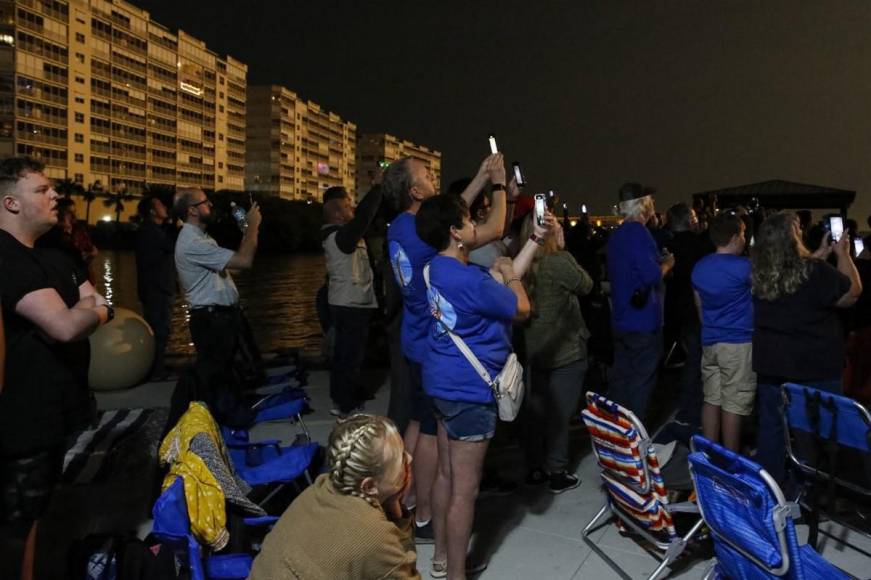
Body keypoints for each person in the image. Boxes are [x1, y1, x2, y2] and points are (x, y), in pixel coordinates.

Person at [416, 193, 551, 579]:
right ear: (456, 232)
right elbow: (520, 307)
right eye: (468, 221)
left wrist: (534, 240)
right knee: (464, 491)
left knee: (446, 474)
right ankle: (457, 574)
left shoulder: (437, 268)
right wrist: (510, 274)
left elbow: (498, 280)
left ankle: (441, 558)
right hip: (468, 393)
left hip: (440, 384)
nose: (477, 226)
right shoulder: (466, 278)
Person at [383, 154, 506, 547]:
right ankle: (424, 513)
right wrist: (499, 184)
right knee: (433, 435)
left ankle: (406, 499)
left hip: (413, 336)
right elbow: (493, 227)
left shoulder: (402, 227)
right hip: (429, 345)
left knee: (418, 424)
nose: (433, 175)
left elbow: (445, 214)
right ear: (415, 191)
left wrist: (479, 175)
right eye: (426, 174)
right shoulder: (422, 233)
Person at [0, 157, 111, 579]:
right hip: (21, 419)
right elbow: (66, 325)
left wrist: (93, 308)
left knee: (37, 510)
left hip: (54, 415)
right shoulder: (7, 257)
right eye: (42, 190)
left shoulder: (52, 255)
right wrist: (94, 313)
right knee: (17, 525)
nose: (56, 196)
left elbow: (96, 298)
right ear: (11, 203)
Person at [752, 211, 862, 484]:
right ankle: (808, 492)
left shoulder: (760, 272)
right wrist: (842, 253)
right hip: (814, 367)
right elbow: (852, 293)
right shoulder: (814, 272)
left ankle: (771, 488)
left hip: (772, 366)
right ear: (792, 237)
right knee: (816, 432)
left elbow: (795, 277)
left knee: (772, 430)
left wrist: (820, 253)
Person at [248, 414, 419, 580]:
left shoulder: (322, 486)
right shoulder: (374, 534)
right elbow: (403, 571)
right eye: (401, 459)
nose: (410, 459)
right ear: (369, 486)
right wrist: (397, 512)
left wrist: (393, 500)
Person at [519, 215, 593, 493]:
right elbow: (585, 284)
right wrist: (563, 249)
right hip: (565, 350)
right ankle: (557, 471)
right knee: (560, 413)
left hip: (534, 348)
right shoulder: (559, 261)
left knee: (536, 412)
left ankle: (534, 467)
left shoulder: (523, 263)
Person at [173, 188, 261, 398]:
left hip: (222, 318)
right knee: (218, 380)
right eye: (205, 202)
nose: (210, 205)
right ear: (192, 211)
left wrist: (247, 231)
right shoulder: (192, 243)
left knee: (232, 377)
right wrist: (253, 226)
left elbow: (236, 266)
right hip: (212, 321)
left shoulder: (203, 238)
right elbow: (245, 261)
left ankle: (227, 416)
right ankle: (218, 421)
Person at [606, 182, 674, 418]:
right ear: (643, 205)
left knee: (622, 380)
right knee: (640, 384)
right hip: (642, 321)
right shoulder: (638, 232)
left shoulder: (617, 235)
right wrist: (667, 264)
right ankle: (634, 439)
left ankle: (615, 434)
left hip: (622, 319)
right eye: (651, 202)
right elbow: (651, 274)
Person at [691, 212, 754, 451]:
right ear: (735, 237)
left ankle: (709, 452)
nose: (745, 239)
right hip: (738, 342)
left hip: (710, 341)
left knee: (711, 398)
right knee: (734, 402)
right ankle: (731, 458)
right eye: (744, 234)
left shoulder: (700, 267)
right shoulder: (744, 268)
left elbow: (699, 306)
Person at [321, 184, 383, 417]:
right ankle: (344, 404)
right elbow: (365, 215)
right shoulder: (339, 236)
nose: (353, 209)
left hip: (353, 302)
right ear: (337, 214)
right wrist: (378, 186)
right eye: (348, 206)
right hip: (349, 305)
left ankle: (346, 394)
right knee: (349, 356)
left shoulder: (344, 234)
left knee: (350, 354)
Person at [662, 202, 712, 431]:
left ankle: (688, 407)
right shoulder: (698, 245)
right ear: (688, 220)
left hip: (677, 310)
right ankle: (690, 410)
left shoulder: (667, 246)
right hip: (695, 311)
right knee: (696, 362)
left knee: (692, 359)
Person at [134, 195, 176, 381]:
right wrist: (175, 225)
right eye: (160, 204)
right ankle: (156, 372)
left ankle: (156, 369)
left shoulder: (152, 231)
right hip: (157, 289)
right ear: (152, 211)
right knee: (160, 331)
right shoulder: (151, 232)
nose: (164, 207)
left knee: (160, 330)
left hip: (155, 288)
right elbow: (172, 246)